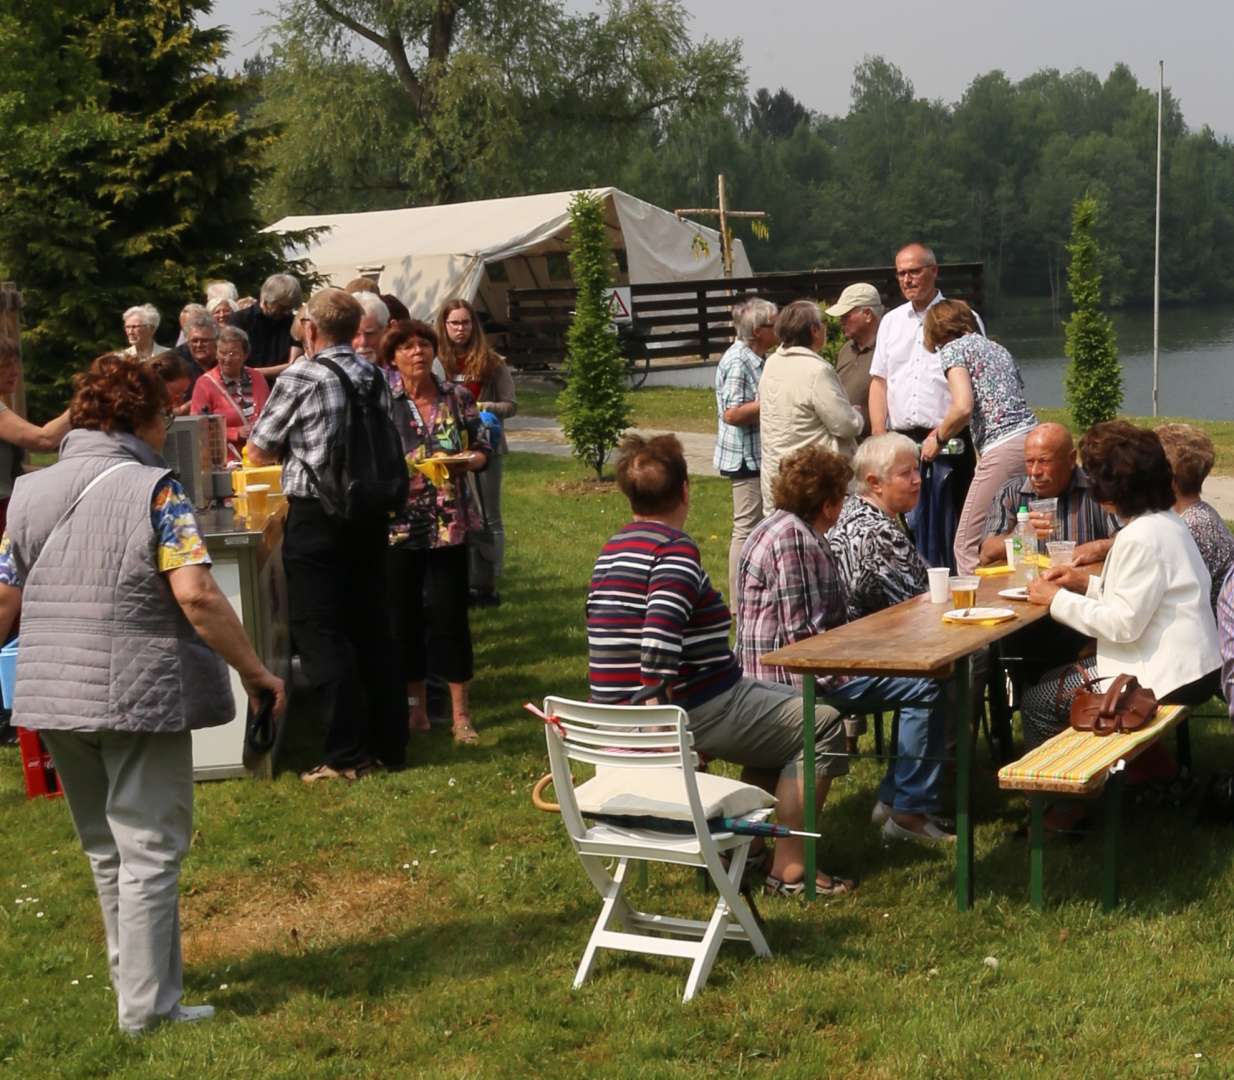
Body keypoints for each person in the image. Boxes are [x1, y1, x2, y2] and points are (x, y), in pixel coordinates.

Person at [0, 353, 285, 1034]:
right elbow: (196, 595)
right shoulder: (160, 491)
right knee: (151, 848)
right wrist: (256, 673)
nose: (170, 424)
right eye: (165, 413)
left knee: (107, 848)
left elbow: (5, 599)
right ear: (144, 419)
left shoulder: (28, 494)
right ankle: (149, 1010)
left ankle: (140, 992)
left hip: (53, 695)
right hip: (138, 691)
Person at [587, 433, 854, 896]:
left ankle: (747, 850)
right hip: (692, 709)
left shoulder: (612, 550)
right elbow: (657, 638)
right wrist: (662, 731)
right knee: (820, 722)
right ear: (686, 489)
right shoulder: (673, 551)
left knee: (786, 711)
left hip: (617, 718)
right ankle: (789, 870)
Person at [736, 445, 950, 842]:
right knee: (926, 682)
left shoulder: (775, 526)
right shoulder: (793, 541)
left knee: (919, 675)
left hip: (773, 672)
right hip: (790, 681)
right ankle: (907, 811)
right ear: (830, 502)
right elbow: (802, 639)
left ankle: (897, 799)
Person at [247, 288, 406, 781]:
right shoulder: (374, 375)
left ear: (311, 330)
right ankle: (388, 744)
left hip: (319, 514)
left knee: (321, 632)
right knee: (371, 627)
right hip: (369, 510)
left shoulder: (301, 375)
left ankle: (343, 755)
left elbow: (258, 450)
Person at [1023, 423, 1220, 762]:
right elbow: (1144, 595)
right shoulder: (1167, 522)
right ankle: (1143, 767)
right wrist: (1083, 583)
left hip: (1163, 677)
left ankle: (1070, 801)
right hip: (1195, 666)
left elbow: (1123, 624)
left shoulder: (1140, 536)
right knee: (1053, 676)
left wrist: (1055, 599)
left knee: (1037, 701)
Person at [383, 320, 491, 743]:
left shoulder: (456, 396)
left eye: (424, 345)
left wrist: (469, 461)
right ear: (393, 357)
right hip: (399, 525)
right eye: (407, 347)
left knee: (450, 617)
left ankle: (461, 716)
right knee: (405, 618)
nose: (417, 353)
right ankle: (417, 713)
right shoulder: (383, 403)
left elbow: (483, 447)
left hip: (450, 523)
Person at [868, 243, 981, 571]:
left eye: (914, 271)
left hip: (950, 438)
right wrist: (878, 435)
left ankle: (959, 597)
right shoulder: (890, 322)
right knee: (908, 529)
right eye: (901, 273)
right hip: (902, 440)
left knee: (954, 528)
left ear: (934, 271)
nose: (907, 279)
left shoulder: (960, 317)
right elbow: (879, 381)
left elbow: (976, 379)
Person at [922, 299, 1037, 574]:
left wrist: (936, 439)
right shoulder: (998, 348)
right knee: (1018, 530)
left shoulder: (953, 350)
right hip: (1032, 438)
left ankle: (974, 608)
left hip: (1002, 444)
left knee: (966, 544)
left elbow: (963, 407)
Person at [436, 298, 516, 607]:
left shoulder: (492, 362)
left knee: (487, 517)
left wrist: (481, 407)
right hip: (448, 447)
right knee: (456, 516)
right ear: (444, 326)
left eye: (465, 323)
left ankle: (488, 583)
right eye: (454, 323)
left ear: (474, 325)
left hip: (486, 445)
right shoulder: (437, 362)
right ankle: (464, 582)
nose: (460, 329)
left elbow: (511, 404)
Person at [757, 299, 862, 512]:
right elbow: (845, 425)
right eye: (822, 324)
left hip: (778, 474)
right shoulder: (816, 370)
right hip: (812, 481)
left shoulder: (772, 363)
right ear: (814, 330)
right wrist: (857, 415)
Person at [977, 422, 1119, 567]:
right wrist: (1021, 535)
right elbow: (986, 553)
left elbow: (1132, 541)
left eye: (1044, 461)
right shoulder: (1011, 492)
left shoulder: (1098, 490)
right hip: (1027, 585)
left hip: (1083, 584)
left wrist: (1097, 549)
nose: (1035, 472)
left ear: (1071, 459)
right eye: (1029, 462)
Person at [713, 296, 777, 609]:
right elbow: (732, 413)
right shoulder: (739, 361)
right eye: (772, 324)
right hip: (744, 458)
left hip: (756, 455)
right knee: (745, 527)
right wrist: (775, 402)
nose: (778, 328)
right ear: (756, 332)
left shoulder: (759, 357)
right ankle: (740, 604)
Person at [828, 433, 929, 620]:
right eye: (905, 473)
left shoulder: (848, 509)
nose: (917, 479)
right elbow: (917, 605)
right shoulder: (879, 534)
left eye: (917, 469)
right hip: (882, 640)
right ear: (875, 483)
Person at [1155, 422, 1234, 613]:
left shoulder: (1192, 528)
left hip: (1209, 638)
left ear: (1169, 480)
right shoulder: (1197, 515)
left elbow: (1158, 599)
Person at [189, 326, 270, 459]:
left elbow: (270, 414)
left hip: (259, 457)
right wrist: (235, 432)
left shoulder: (258, 378)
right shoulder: (205, 383)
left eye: (233, 354)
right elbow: (198, 426)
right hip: (227, 460)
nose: (226, 359)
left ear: (245, 355)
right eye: (222, 352)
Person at [824, 283, 883, 437]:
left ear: (868, 314)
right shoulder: (846, 350)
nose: (841, 321)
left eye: (846, 316)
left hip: (875, 442)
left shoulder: (888, 349)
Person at [229, 273, 302, 380]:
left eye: (289, 308)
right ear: (268, 300)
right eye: (282, 307)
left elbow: (294, 366)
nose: (286, 312)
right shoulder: (240, 320)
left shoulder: (293, 322)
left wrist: (252, 372)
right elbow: (231, 361)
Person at [352, 291, 390, 364]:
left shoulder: (401, 372)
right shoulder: (332, 372)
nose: (363, 342)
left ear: (385, 332)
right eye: (355, 335)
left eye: (370, 333)